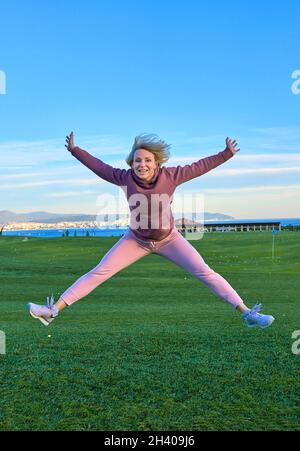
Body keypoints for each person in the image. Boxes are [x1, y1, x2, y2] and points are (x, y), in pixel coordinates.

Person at [27, 132, 275, 329]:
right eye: (137, 160)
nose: (142, 164)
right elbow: (99, 167)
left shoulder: (172, 175)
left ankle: (247, 314)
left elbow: (200, 166)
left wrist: (226, 154)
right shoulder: (124, 177)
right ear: (131, 163)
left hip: (170, 239)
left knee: (204, 272)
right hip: (136, 240)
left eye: (147, 160)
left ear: (157, 162)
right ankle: (52, 311)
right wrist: (74, 150)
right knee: (99, 272)